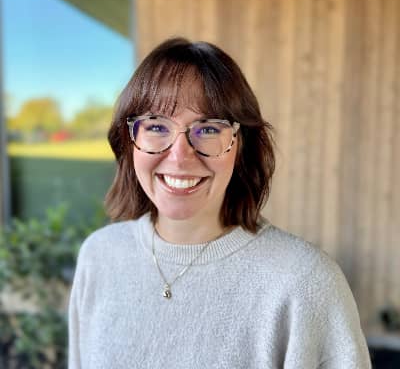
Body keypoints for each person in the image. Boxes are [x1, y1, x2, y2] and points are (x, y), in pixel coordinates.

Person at [68, 38, 371, 368]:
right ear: (129, 142)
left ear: (241, 147)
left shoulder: (304, 283)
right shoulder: (99, 256)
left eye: (209, 129)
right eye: (156, 126)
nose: (179, 156)